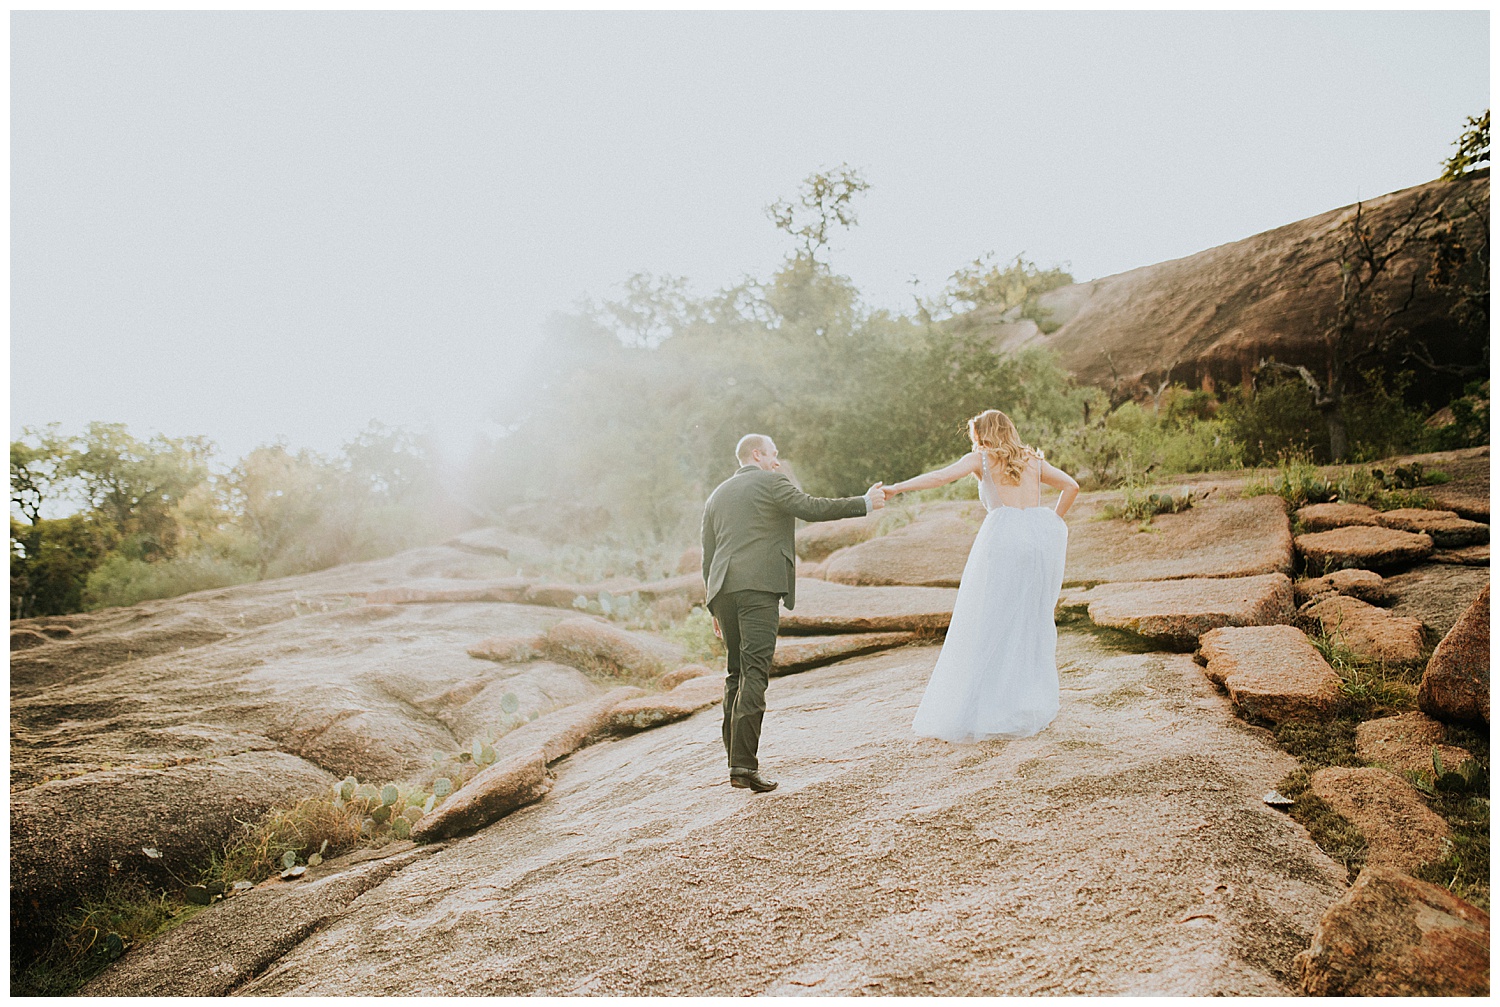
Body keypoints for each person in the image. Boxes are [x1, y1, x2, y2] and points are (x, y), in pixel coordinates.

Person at [702, 434, 886, 793]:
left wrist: (711, 603)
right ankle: (743, 766)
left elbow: (708, 555)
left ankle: (735, 761)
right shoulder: (771, 482)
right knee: (755, 671)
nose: (777, 461)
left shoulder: (717, 495)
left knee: (735, 673)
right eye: (773, 454)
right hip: (758, 588)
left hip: (723, 590)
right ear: (756, 454)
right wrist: (864, 502)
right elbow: (811, 508)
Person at [883, 409, 1079, 742]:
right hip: (1035, 544)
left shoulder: (982, 459)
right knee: (1028, 621)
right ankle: (1024, 701)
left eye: (977, 435)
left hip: (1002, 542)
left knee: (989, 621)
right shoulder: (1032, 459)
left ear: (983, 434)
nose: (977, 442)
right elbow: (1071, 486)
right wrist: (1050, 522)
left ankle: (987, 705)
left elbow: (941, 476)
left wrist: (898, 488)